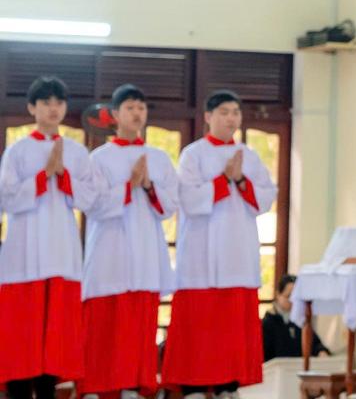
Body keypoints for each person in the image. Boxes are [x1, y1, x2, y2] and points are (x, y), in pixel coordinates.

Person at [162, 90, 278, 399]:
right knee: (199, 327)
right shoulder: (193, 154)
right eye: (224, 112)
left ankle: (229, 385)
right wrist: (224, 180)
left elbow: (266, 198)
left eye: (236, 113)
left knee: (231, 328)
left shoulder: (249, 156)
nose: (231, 118)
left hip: (237, 253)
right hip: (200, 256)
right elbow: (189, 199)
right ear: (208, 117)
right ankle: (194, 386)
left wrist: (240, 180)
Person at [0, 77, 99, 399]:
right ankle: (17, 391)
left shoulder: (76, 151)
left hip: (60, 250)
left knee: (54, 332)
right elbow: (6, 198)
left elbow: (90, 198)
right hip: (24, 254)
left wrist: (63, 175)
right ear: (32, 108)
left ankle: (47, 391)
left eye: (59, 102)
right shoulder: (18, 151)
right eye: (45, 102)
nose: (53, 108)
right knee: (22, 331)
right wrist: (43, 176)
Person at [80, 84, 180, 399]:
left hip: (145, 251)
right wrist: (128, 186)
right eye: (130, 108)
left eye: (141, 107)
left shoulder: (158, 158)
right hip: (110, 251)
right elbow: (92, 204)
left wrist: (148, 186)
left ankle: (134, 386)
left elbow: (170, 205)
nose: (137, 113)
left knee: (140, 325)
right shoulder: (99, 158)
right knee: (105, 325)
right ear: (115, 114)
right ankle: (99, 388)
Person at [261, 275, 330, 362]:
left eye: (296, 298)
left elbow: (315, 344)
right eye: (289, 296)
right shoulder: (267, 324)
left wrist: (321, 351)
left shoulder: (301, 321)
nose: (292, 301)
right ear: (278, 294)